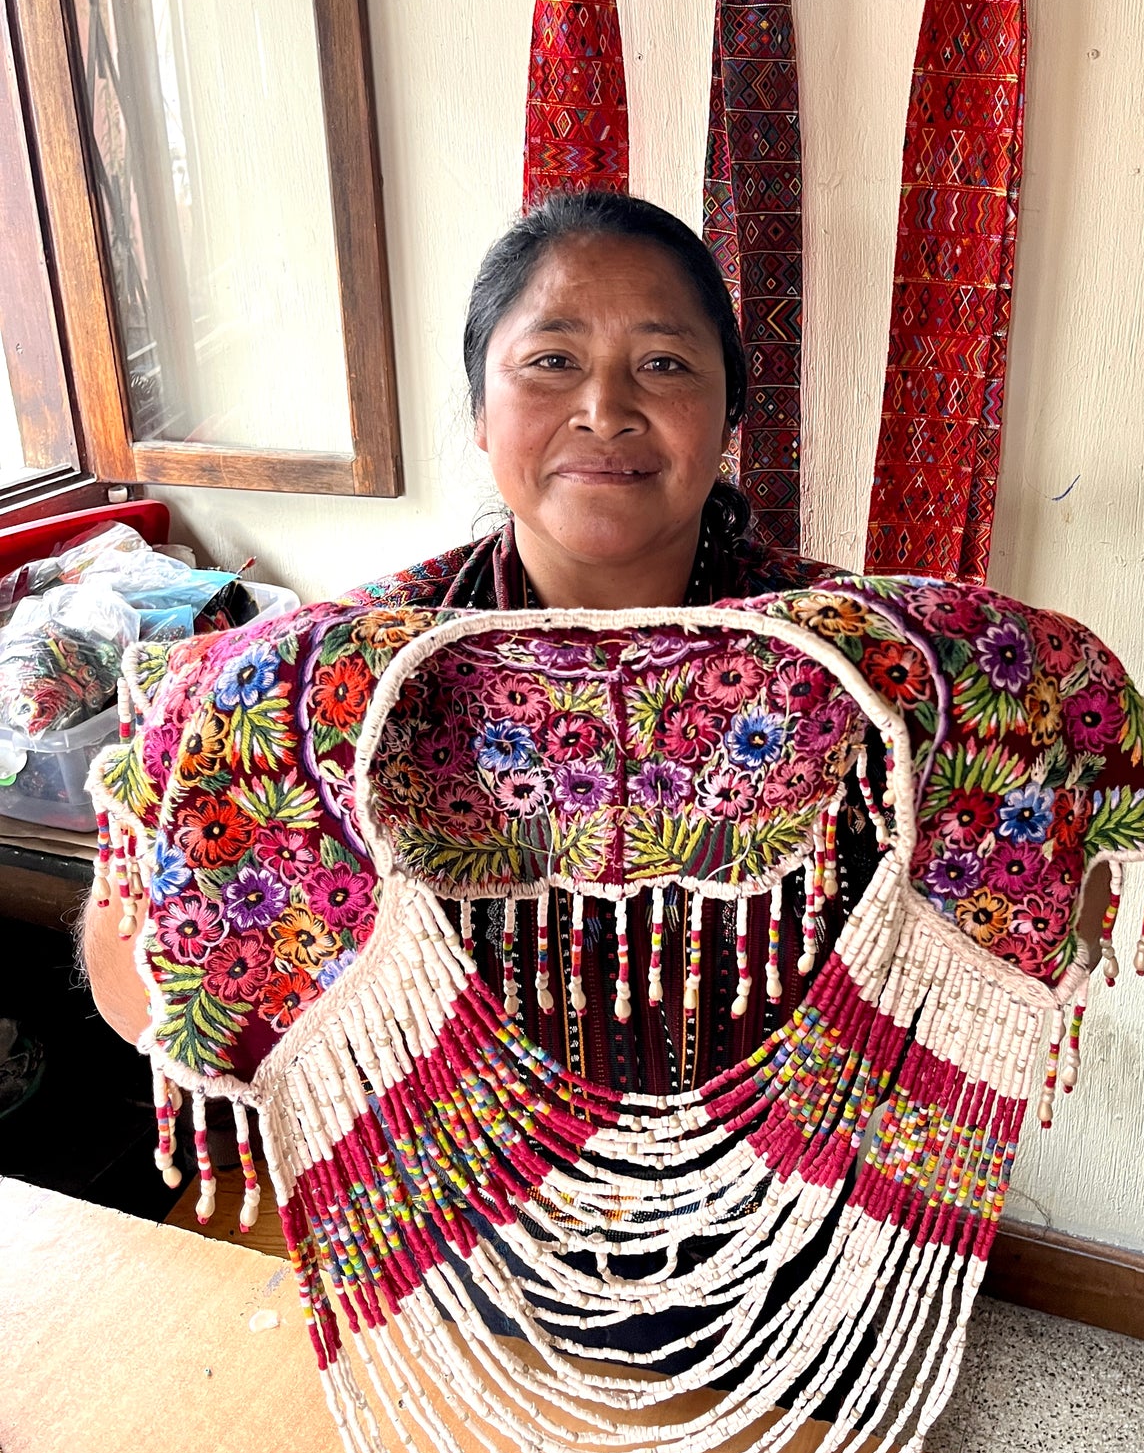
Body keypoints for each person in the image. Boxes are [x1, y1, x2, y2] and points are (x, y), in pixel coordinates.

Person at [84, 190, 865, 1091]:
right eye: (551, 360)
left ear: (729, 417)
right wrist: (195, 747)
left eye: (661, 362)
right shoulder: (350, 676)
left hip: (785, 1190)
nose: (605, 409)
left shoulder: (860, 665)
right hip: (443, 1194)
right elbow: (138, 999)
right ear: (481, 414)